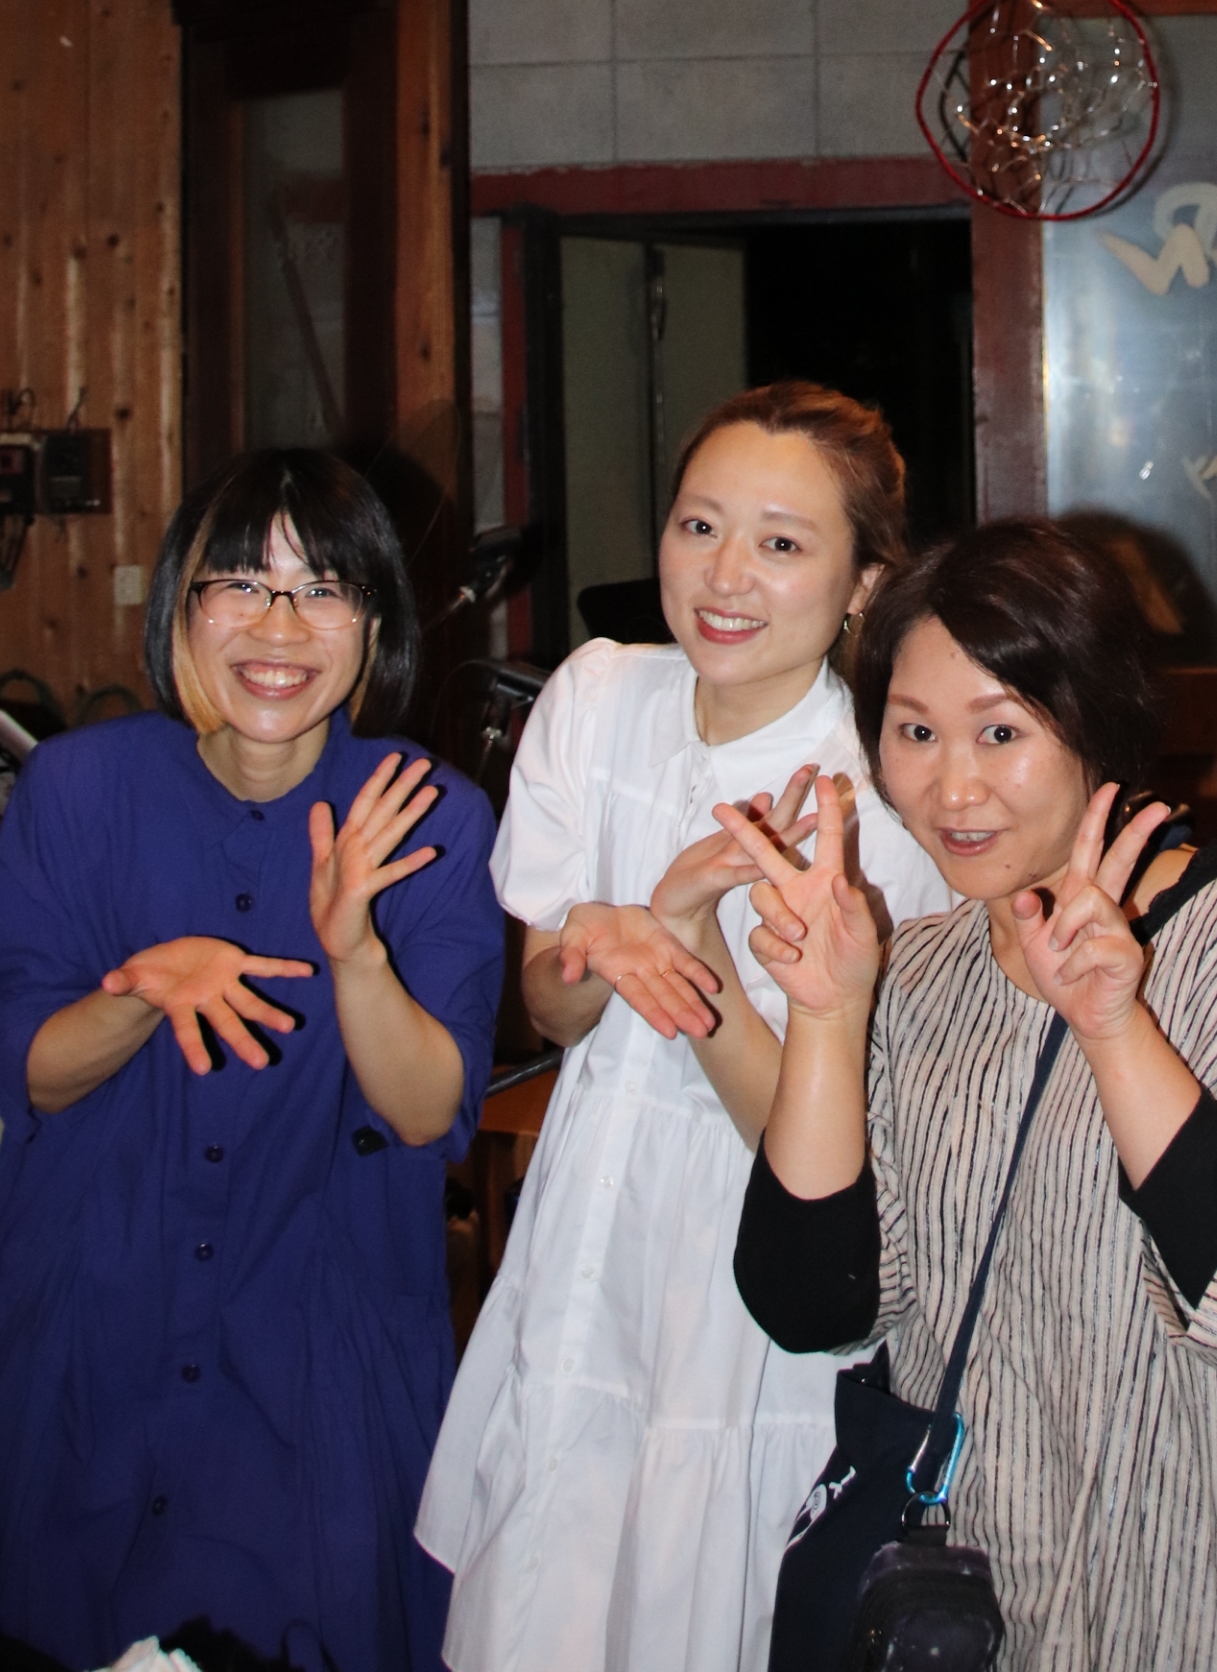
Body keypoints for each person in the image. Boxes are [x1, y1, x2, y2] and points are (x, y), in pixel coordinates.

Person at [727, 518, 1217, 1672]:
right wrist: (828, 1019)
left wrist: (1114, 1026)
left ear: (1098, 724)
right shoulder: (924, 973)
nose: (954, 786)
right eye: (916, 732)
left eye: (1002, 731)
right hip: (992, 1608)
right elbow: (817, 1306)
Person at [418, 383, 952, 1672]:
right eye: (699, 525)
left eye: (782, 543)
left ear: (864, 583)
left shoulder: (879, 798)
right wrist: (607, 942)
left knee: (701, 1603)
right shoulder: (599, 697)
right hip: (586, 1230)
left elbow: (817, 1160)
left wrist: (690, 947)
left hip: (746, 1278)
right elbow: (554, 1007)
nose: (724, 575)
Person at [0, 449, 503, 1672]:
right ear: (183, 605)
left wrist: (355, 954)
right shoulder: (77, 789)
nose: (279, 626)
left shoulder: (427, 813)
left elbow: (429, 1110)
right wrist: (137, 993)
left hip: (313, 1356)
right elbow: (32, 1071)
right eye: (241, 583)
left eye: (323, 589)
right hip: (89, 1335)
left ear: (372, 625)